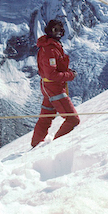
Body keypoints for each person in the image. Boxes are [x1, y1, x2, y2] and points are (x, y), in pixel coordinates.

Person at [31, 19, 80, 147]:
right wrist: (70, 75)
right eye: (55, 29)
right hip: (54, 88)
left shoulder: (53, 47)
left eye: (60, 29)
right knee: (72, 119)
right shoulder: (50, 50)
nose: (58, 32)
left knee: (46, 117)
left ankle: (35, 144)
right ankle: (55, 147)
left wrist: (67, 72)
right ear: (49, 31)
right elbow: (51, 74)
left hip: (50, 87)